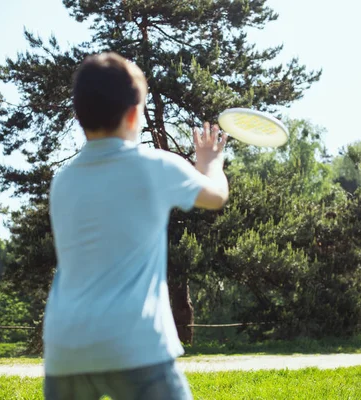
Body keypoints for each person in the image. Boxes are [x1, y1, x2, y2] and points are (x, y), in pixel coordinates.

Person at [43, 52, 229, 400]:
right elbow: (216, 196)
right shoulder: (155, 166)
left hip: (66, 348)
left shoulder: (63, 181)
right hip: (135, 343)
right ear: (133, 115)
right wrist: (210, 162)